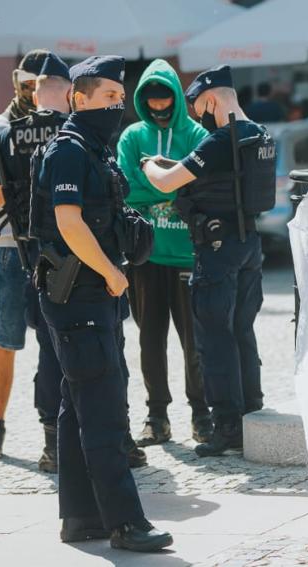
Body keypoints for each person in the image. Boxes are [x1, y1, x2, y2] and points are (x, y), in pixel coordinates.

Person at [30, 55, 171, 551]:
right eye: (107, 96)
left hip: (92, 296)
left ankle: (81, 518)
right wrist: (112, 272)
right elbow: (69, 223)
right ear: (78, 98)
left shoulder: (94, 150)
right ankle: (127, 523)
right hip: (82, 294)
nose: (115, 105)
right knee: (104, 409)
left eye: (119, 96)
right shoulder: (68, 151)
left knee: (76, 406)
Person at [142, 65, 275, 457]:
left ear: (211, 99)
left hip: (217, 248)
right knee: (241, 331)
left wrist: (151, 163)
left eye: (199, 105)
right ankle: (250, 411)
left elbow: (167, 182)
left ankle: (227, 428)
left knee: (214, 338)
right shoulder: (259, 134)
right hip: (249, 241)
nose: (199, 114)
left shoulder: (222, 138)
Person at [116, 59, 212, 447]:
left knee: (195, 342)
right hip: (146, 257)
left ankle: (201, 415)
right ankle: (157, 416)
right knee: (149, 339)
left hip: (189, 255)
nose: (159, 107)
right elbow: (126, 188)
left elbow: (200, 186)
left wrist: (153, 183)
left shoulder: (197, 134)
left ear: (175, 95)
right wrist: (173, 183)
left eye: (165, 99)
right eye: (151, 100)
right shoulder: (132, 137)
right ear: (142, 100)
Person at [0, 53, 71, 473]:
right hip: (40, 249)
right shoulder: (74, 130)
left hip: (27, 246)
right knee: (19, 338)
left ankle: (53, 442)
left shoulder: (9, 135)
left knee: (47, 346)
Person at [0, 49, 50, 463]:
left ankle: (55, 428)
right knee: (6, 337)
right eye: (29, 86)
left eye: (44, 87)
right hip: (8, 246)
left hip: (55, 244)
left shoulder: (62, 127)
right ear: (19, 83)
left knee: (59, 340)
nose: (35, 94)